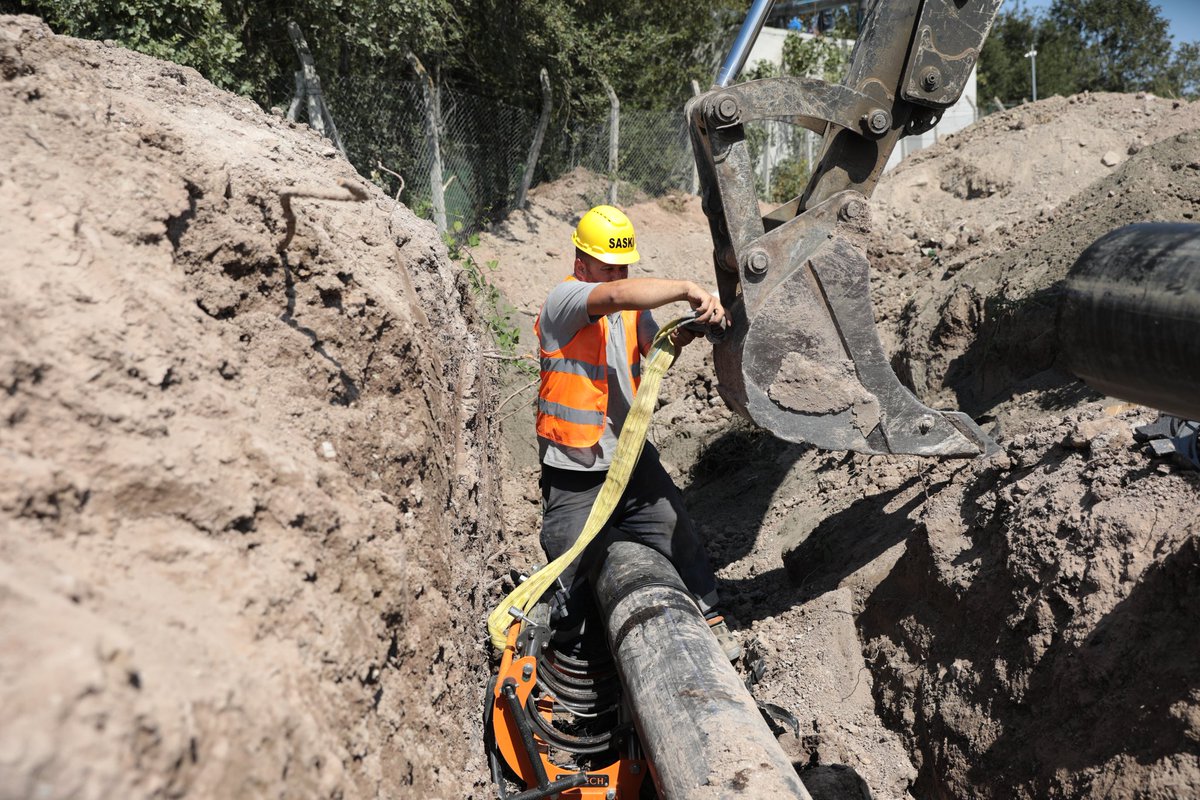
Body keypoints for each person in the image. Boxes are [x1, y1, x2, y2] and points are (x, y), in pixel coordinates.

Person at [534, 204, 740, 661]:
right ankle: (571, 653)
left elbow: (654, 341)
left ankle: (711, 620)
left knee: (676, 529)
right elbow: (615, 297)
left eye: (622, 267)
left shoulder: (627, 305)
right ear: (580, 265)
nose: (616, 275)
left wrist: (688, 330)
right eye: (606, 267)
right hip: (576, 467)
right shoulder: (563, 301)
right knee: (567, 571)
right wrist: (686, 288)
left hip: (628, 459)